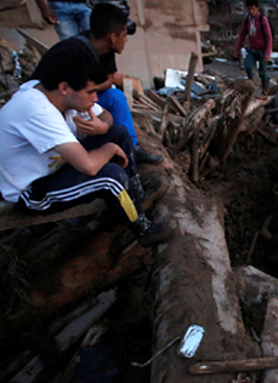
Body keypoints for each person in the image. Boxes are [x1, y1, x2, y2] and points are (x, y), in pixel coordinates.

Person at [0, 40, 169, 247]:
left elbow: (106, 116)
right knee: (111, 176)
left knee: (119, 132)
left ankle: (136, 194)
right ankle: (141, 228)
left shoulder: (60, 94)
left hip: (57, 169)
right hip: (32, 192)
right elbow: (88, 166)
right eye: (91, 92)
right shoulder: (36, 110)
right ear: (65, 88)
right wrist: (108, 149)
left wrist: (104, 127)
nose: (96, 99)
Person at [32, 2, 162, 165]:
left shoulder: (104, 48)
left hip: (76, 96)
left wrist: (97, 98)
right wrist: (101, 87)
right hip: (56, 105)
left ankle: (133, 147)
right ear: (113, 37)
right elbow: (80, 90)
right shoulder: (75, 53)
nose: (126, 40)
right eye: (124, 35)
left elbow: (106, 83)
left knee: (115, 96)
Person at [233, 0, 273, 91]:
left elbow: (268, 37)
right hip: (252, 50)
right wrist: (237, 49)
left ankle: (265, 89)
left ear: (257, 8)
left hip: (262, 50)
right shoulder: (247, 19)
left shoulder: (262, 19)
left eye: (253, 9)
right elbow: (242, 35)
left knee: (262, 73)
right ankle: (252, 86)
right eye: (249, 9)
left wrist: (268, 53)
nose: (251, 11)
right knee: (248, 67)